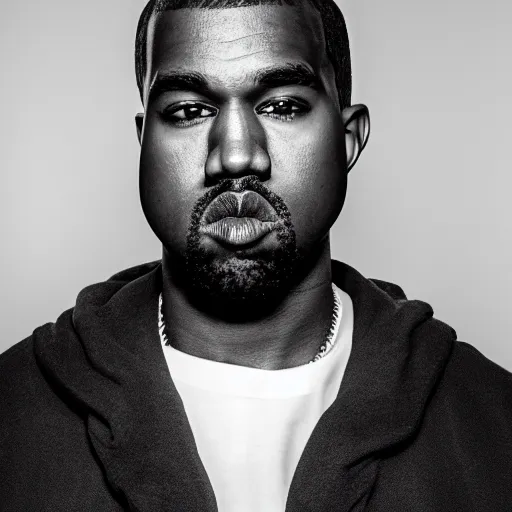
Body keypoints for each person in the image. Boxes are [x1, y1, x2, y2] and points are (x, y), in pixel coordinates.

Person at [1, 0, 511, 510]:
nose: (237, 154)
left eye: (283, 105)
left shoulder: (494, 425)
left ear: (348, 138)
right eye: (188, 111)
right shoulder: (13, 415)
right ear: (144, 146)